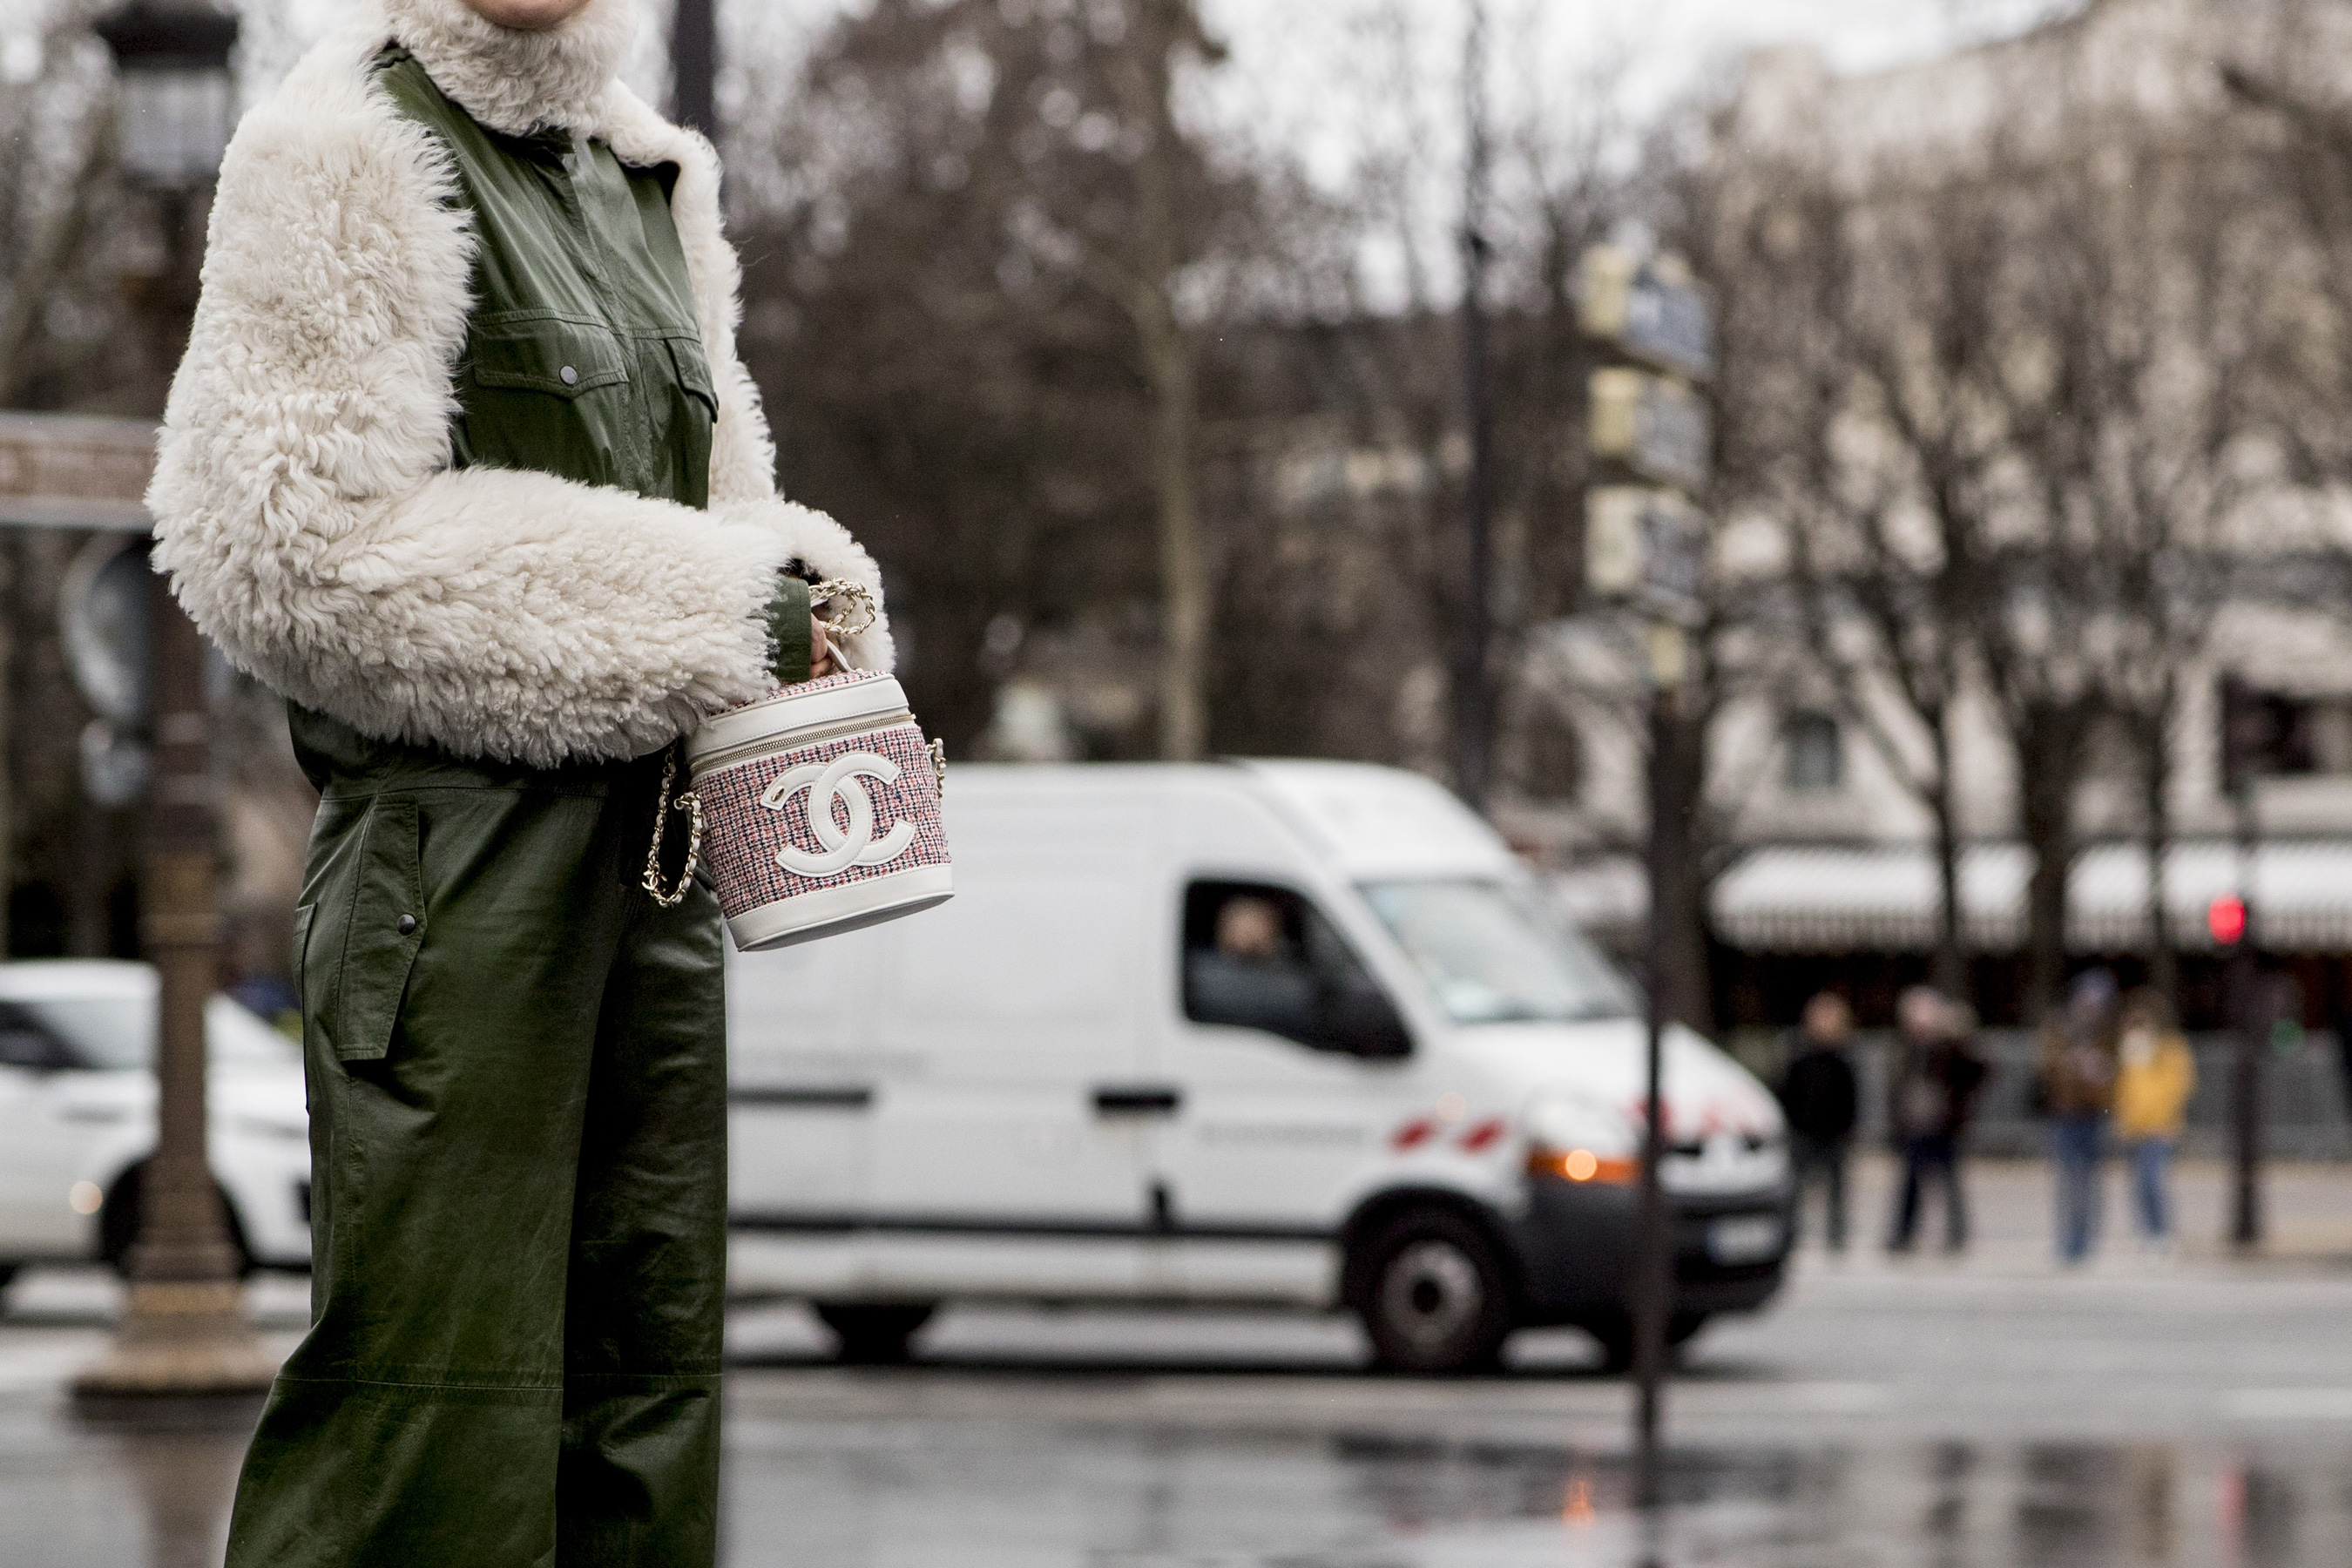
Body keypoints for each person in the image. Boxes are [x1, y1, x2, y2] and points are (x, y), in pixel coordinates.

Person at [147, 1, 889, 1561]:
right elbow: (286, 550)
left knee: (644, 1423)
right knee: (433, 1447)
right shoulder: (339, 149)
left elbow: (727, 511)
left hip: (658, 884)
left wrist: (815, 597)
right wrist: (723, 611)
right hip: (455, 893)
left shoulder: (647, 174)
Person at [1886, 985, 1989, 1254]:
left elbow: (1978, 1074)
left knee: (1950, 1181)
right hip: (1914, 1122)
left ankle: (1956, 1235)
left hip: (1944, 1124)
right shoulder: (1904, 1048)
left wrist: (1962, 1037)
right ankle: (1903, 1235)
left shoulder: (1950, 1046)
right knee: (1911, 1183)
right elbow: (1895, 1090)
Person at [2038, 970, 2120, 1264]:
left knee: (2091, 1180)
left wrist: (2101, 1072)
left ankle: (2088, 1240)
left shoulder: (2109, 1033)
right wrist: (2070, 1064)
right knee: (2067, 1179)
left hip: (2095, 1113)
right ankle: (2067, 1241)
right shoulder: (2061, 1027)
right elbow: (2045, 1067)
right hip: (2065, 1113)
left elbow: (2118, 1074)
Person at [2113, 988, 2197, 1251]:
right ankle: (2147, 1234)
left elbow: (2178, 1086)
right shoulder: (2130, 1049)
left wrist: (2162, 1116)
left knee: (2153, 1181)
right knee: (2138, 1185)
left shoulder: (2171, 1049)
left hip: (2160, 1126)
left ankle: (2162, 1232)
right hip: (2134, 1127)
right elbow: (2123, 1088)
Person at [1776, 992, 1861, 1252]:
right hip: (1804, 1130)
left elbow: (1852, 1097)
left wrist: (1847, 1127)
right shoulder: (1800, 1054)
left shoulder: (1844, 1057)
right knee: (1796, 1189)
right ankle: (1789, 1235)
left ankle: (1836, 1237)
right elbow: (1786, 1090)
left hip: (1834, 1133)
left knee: (1836, 1190)